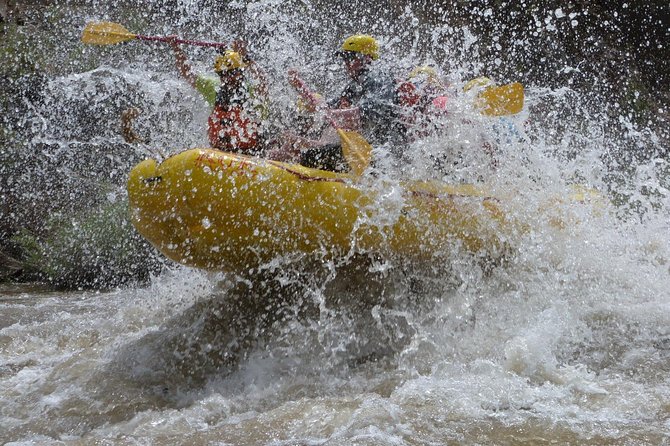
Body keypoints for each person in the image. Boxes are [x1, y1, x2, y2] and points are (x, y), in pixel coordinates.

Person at [169, 39, 270, 156]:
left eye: (232, 73)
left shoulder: (251, 92)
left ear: (241, 71)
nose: (227, 78)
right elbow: (188, 74)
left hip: (253, 153)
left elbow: (263, 82)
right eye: (223, 74)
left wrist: (246, 58)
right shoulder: (214, 87)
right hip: (220, 153)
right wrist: (176, 48)